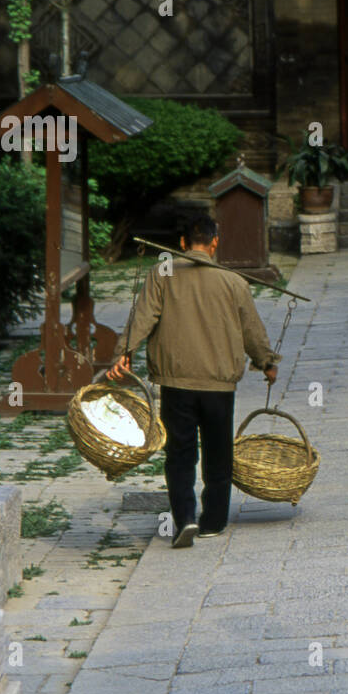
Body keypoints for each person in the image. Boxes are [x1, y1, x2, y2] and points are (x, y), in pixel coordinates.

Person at [107, 214, 281, 550]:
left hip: (176, 383)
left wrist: (123, 352)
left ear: (183, 244)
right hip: (218, 386)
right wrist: (267, 362)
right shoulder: (233, 281)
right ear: (215, 243)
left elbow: (143, 317)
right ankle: (213, 522)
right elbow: (251, 330)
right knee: (218, 453)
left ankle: (185, 517)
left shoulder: (164, 273)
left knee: (180, 453)